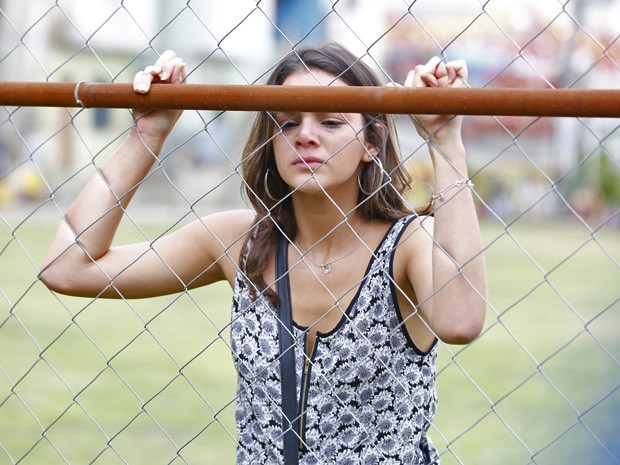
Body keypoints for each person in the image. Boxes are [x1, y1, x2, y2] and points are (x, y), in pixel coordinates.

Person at [41, 43, 486, 464]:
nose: (305, 136)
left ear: (372, 142)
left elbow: (461, 321)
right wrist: (147, 133)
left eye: (331, 122)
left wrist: (445, 141)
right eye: (287, 122)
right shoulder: (240, 241)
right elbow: (68, 267)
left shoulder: (409, 243)